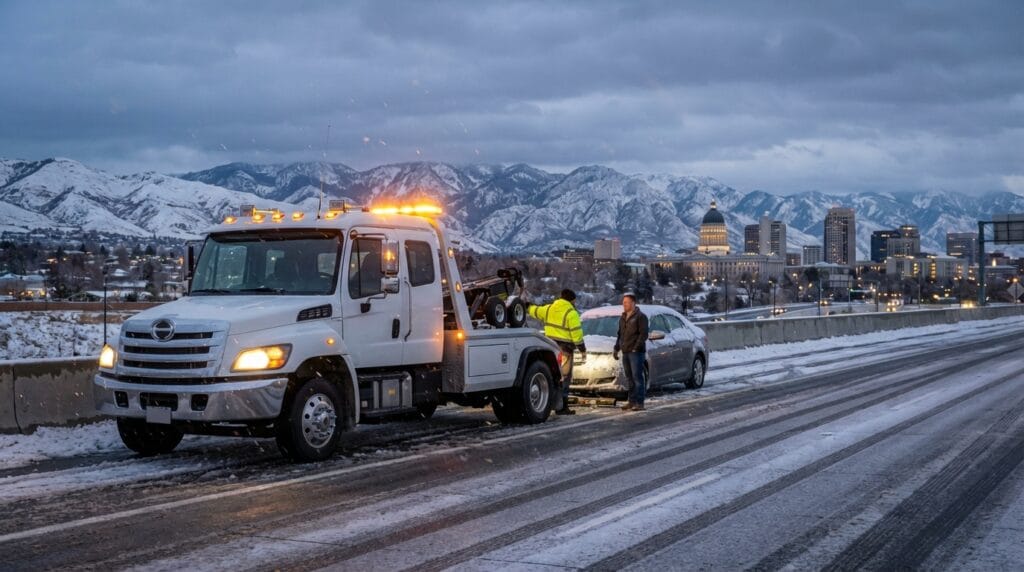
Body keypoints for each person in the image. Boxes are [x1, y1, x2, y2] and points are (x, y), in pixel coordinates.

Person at [527, 289, 586, 415]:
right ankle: (562, 407)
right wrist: (582, 350)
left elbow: (535, 311)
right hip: (565, 350)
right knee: (564, 378)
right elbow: (576, 334)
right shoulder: (571, 313)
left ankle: (551, 403)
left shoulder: (549, 308)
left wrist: (527, 306)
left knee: (553, 376)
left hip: (550, 348)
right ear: (571, 300)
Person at [613, 293, 649, 411]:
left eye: (627, 302)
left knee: (637, 377)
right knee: (629, 378)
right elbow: (620, 334)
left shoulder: (640, 316)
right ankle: (631, 401)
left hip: (636, 352)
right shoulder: (623, 317)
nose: (624, 305)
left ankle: (640, 402)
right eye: (623, 302)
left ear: (633, 303)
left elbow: (643, 334)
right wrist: (616, 348)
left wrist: (636, 347)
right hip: (626, 351)